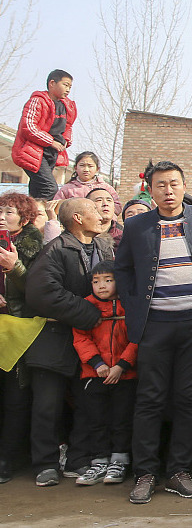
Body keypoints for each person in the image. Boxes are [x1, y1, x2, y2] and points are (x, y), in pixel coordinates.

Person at [114, 161, 192, 504]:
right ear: (150, 189)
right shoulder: (136, 226)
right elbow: (122, 270)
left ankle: (180, 471)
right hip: (155, 324)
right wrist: (137, 310)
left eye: (174, 184)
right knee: (150, 397)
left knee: (189, 397)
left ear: (183, 185)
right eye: (161, 185)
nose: (168, 191)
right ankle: (145, 473)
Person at [22, 198, 113, 487]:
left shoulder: (104, 246)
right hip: (54, 341)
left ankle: (79, 460)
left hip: (89, 343)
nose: (102, 215)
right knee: (47, 406)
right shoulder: (56, 248)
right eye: (94, 211)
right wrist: (89, 313)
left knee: (88, 404)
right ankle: (45, 464)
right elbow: (41, 292)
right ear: (77, 217)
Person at [71, 260, 137, 486]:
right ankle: (99, 461)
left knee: (121, 419)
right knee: (96, 420)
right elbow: (80, 338)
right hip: (94, 374)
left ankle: (119, 461)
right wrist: (97, 364)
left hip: (125, 374)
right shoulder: (85, 306)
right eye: (96, 281)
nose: (102, 286)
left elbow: (136, 338)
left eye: (108, 280)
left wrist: (122, 365)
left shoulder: (129, 304)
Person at [0, 191, 46, 483]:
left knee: (15, 397)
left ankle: (8, 458)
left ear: (24, 217)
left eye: (8, 212)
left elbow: (39, 287)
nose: (2, 217)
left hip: (21, 328)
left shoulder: (34, 244)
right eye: (0, 211)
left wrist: (14, 267)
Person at [12, 70, 77, 200]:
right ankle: (41, 217)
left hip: (51, 153)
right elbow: (28, 126)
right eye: (65, 85)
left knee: (37, 189)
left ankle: (31, 216)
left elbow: (68, 126)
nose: (68, 89)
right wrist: (51, 141)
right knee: (49, 188)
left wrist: (66, 140)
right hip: (33, 152)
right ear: (52, 83)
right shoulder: (37, 101)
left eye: (70, 86)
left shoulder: (67, 105)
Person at [54, 151, 122, 214]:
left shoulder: (106, 188)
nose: (86, 169)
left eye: (90, 166)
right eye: (82, 165)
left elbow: (117, 207)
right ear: (75, 168)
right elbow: (55, 207)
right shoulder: (67, 189)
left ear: (97, 169)